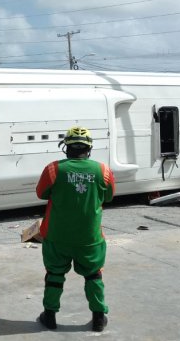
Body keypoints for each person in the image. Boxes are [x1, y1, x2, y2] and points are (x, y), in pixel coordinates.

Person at [35, 126, 115, 332]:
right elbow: (108, 197)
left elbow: (41, 193)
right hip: (90, 238)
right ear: (89, 149)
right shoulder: (103, 170)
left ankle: (50, 316)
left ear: (66, 148)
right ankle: (98, 318)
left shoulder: (53, 169)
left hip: (56, 236)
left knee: (54, 275)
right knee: (93, 275)